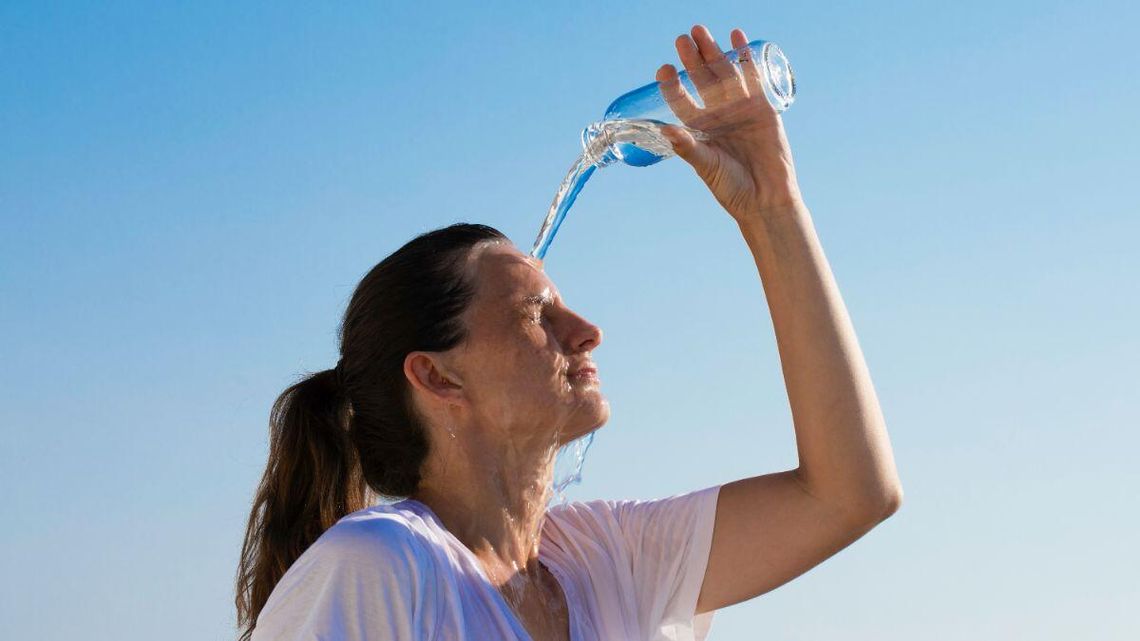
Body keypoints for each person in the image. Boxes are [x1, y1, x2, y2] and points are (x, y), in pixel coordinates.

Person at [235, 24, 903, 641]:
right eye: (535, 315)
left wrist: (772, 207)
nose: (587, 332)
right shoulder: (384, 564)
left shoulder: (607, 559)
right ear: (437, 375)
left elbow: (850, 494)